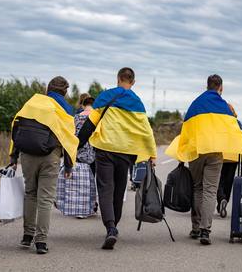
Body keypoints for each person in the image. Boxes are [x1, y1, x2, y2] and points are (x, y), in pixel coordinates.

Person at [165, 74, 242, 245]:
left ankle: (196, 228)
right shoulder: (224, 107)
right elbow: (236, 129)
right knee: (211, 190)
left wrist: (182, 153)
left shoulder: (195, 104)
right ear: (221, 88)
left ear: (207, 86)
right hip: (215, 154)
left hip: (197, 152)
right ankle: (205, 230)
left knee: (197, 188)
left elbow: (186, 130)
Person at [77, 67, 156, 250]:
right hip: (126, 152)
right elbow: (146, 131)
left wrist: (77, 146)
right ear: (133, 82)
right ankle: (114, 226)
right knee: (119, 191)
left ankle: (110, 228)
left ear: (118, 79)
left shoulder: (105, 97)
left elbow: (90, 123)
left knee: (105, 189)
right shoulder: (137, 103)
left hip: (105, 149)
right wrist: (152, 154)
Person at [9, 76, 79, 254]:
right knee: (46, 199)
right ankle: (41, 241)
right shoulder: (64, 109)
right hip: (50, 156)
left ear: (48, 89)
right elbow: (69, 138)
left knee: (30, 193)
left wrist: (13, 157)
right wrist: (69, 165)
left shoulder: (31, 103)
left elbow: (16, 127)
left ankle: (27, 236)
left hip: (27, 155)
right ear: (64, 91)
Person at [56, 96, 98, 218]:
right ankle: (92, 205)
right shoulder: (97, 117)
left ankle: (79, 206)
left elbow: (71, 135)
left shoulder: (76, 117)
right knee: (92, 180)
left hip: (78, 151)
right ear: (93, 105)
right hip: (94, 153)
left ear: (83, 105)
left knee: (79, 181)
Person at [216, 103, 239, 218]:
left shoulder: (219, 123)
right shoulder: (237, 124)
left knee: (218, 181)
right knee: (228, 182)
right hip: (233, 157)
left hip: (220, 155)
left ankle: (221, 199)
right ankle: (224, 201)